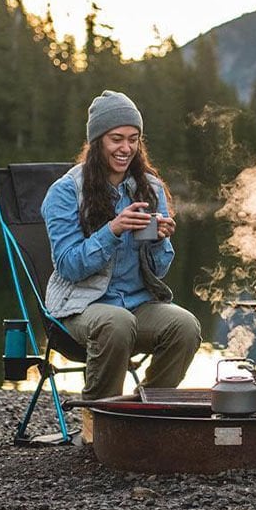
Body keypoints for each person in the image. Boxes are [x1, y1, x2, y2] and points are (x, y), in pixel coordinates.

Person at [42, 90, 202, 401]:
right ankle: (99, 417)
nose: (126, 148)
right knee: (116, 323)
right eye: (116, 139)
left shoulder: (149, 188)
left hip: (136, 304)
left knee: (185, 326)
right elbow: (69, 266)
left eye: (133, 139)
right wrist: (112, 230)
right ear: (97, 140)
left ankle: (146, 409)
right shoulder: (64, 192)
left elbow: (159, 270)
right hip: (79, 307)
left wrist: (159, 241)